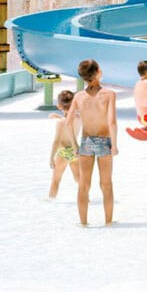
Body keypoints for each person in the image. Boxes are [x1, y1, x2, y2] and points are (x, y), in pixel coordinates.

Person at [64, 60, 118, 226]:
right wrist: (114, 145)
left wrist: (74, 146)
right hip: (104, 141)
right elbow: (112, 122)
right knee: (106, 183)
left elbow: (68, 122)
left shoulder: (79, 96)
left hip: (86, 142)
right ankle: (108, 222)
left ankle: (83, 223)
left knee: (84, 184)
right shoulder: (109, 94)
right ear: (98, 72)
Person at [48, 90, 81, 199]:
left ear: (59, 106)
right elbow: (68, 120)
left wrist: (51, 158)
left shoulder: (60, 123)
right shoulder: (79, 118)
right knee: (78, 178)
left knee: (56, 179)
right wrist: (58, 116)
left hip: (63, 152)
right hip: (74, 151)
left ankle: (50, 200)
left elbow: (56, 141)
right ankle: (86, 199)